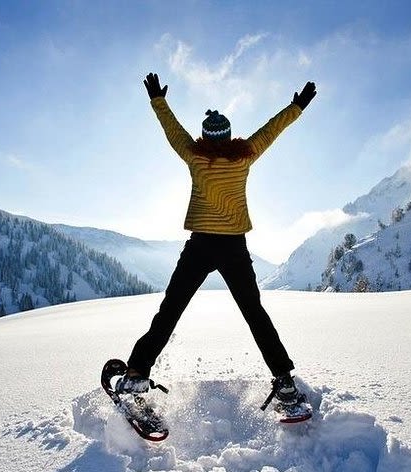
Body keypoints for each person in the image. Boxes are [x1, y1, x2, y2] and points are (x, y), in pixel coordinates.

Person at [116, 73, 317, 406]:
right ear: (228, 134)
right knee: (254, 313)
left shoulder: (195, 158)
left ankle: (137, 372)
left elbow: (174, 131)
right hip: (234, 246)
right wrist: (296, 106)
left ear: (206, 136)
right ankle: (284, 381)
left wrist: (158, 100)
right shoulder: (245, 156)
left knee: (170, 309)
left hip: (200, 245)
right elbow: (272, 129)